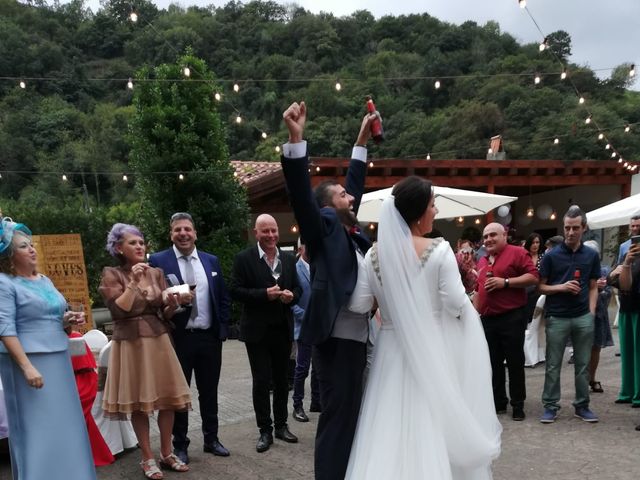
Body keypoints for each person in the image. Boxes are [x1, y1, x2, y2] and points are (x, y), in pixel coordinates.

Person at [346, 176, 501, 479]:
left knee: (386, 425)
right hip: (432, 349)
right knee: (432, 420)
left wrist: (390, 307)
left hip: (389, 352)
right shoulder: (439, 250)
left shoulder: (373, 255)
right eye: (432, 205)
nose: (436, 210)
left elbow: (360, 304)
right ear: (418, 212)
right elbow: (456, 304)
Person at [280, 101, 376, 480]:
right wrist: (296, 139)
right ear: (328, 208)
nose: (352, 198)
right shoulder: (323, 227)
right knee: (336, 418)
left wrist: (361, 141)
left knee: (352, 414)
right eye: (343, 197)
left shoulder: (352, 231)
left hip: (356, 340)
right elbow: (304, 198)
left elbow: (353, 186)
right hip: (334, 341)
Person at [0, 217, 97, 480]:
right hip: (28, 364)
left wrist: (67, 321)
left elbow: (55, 316)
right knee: (37, 429)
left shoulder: (44, 280)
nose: (31, 249)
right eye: (22, 246)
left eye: (31, 244)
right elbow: (4, 328)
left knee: (66, 426)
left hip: (59, 358)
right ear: (9, 255)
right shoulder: (4, 283)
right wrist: (27, 367)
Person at [99, 223, 191, 479]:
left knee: (168, 399)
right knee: (139, 404)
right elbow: (120, 311)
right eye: (133, 243)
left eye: (141, 242)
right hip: (130, 343)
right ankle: (147, 457)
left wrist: (174, 303)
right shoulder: (111, 274)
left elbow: (164, 312)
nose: (140, 246)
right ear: (119, 248)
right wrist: (134, 283)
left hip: (159, 339)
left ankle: (166, 452)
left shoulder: (157, 272)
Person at [149, 212, 231, 463]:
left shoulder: (211, 261)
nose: (183, 234)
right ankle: (180, 444)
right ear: (171, 234)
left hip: (208, 338)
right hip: (177, 338)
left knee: (209, 391)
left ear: (195, 233)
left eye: (187, 229)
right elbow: (152, 300)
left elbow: (223, 296)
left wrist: (223, 328)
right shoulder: (158, 260)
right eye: (177, 230)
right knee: (179, 394)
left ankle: (211, 439)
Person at [230, 214, 301, 453]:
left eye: (273, 231)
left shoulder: (289, 259)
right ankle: (265, 430)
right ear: (256, 233)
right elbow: (236, 291)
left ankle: (281, 425)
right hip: (257, 331)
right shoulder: (244, 259)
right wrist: (264, 294)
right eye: (265, 231)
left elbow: (299, 288)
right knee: (261, 382)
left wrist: (293, 296)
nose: (270, 235)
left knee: (282, 381)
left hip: (282, 329)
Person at [538, 206, 601, 423]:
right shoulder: (551, 256)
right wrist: (561, 287)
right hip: (557, 316)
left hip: (583, 315)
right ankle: (550, 406)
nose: (570, 232)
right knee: (553, 365)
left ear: (583, 228)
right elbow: (541, 287)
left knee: (583, 365)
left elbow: (593, 286)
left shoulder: (591, 255)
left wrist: (591, 312)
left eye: (575, 228)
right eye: (567, 228)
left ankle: (582, 406)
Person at [474, 223, 539, 421]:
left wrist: (506, 282)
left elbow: (533, 277)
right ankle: (498, 401)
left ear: (504, 235)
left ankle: (517, 404)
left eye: (493, 235)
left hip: (511, 317)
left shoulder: (517, 252)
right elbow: (478, 290)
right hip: (488, 320)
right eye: (485, 237)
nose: (488, 240)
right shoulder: (482, 260)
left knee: (515, 362)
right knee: (493, 363)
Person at [68, 329, 115, 466]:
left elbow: (81, 366)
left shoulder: (74, 336)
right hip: (72, 380)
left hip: (84, 381)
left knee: (75, 413)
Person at [291, 239, 321, 422]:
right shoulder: (294, 270)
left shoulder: (320, 267)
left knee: (318, 368)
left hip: (320, 328)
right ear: (300, 248)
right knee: (302, 368)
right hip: (302, 327)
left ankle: (317, 402)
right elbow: (291, 303)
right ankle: (297, 405)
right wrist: (307, 316)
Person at [582, 240, 614, 394]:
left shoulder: (604, 271)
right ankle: (581, 379)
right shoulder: (578, 268)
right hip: (580, 314)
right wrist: (591, 287)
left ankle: (592, 378)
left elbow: (609, 294)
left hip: (599, 315)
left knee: (596, 348)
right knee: (582, 349)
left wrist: (600, 291)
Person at [615, 240, 640, 428]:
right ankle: (630, 391)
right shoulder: (626, 250)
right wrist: (627, 263)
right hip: (629, 305)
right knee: (630, 352)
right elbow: (623, 285)